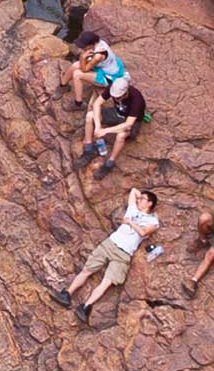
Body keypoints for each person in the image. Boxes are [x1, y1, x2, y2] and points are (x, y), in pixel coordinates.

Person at [54, 189, 158, 322]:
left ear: (149, 203)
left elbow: (143, 233)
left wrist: (130, 222)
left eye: (142, 199)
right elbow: (133, 191)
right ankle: (67, 294)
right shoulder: (133, 209)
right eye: (140, 198)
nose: (139, 200)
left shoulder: (153, 220)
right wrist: (140, 198)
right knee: (87, 270)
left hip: (124, 253)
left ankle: (86, 307)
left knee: (106, 282)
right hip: (110, 243)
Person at [78, 78, 145, 179]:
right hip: (117, 113)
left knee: (121, 135)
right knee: (89, 116)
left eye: (119, 97)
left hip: (132, 121)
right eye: (115, 97)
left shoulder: (136, 99)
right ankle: (89, 149)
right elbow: (97, 103)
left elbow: (128, 124)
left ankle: (110, 163)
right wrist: (97, 126)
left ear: (126, 91)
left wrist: (105, 131)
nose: (116, 99)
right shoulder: (113, 88)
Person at [67, 33, 129, 107]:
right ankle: (63, 85)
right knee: (75, 65)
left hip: (110, 77)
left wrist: (83, 57)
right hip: (108, 67)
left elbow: (84, 69)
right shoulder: (98, 42)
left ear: (91, 44)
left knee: (77, 74)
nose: (82, 48)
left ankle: (78, 104)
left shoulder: (98, 55)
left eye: (84, 46)